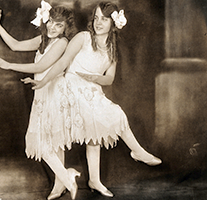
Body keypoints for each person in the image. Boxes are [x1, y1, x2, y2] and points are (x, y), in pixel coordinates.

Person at [22, 1, 162, 198]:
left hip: (91, 89)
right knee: (59, 136)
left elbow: (110, 78)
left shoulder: (112, 49)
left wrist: (96, 78)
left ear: (113, 24)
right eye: (96, 18)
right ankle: (59, 183)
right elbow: (62, 62)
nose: (98, 23)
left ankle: (95, 180)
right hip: (69, 87)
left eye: (104, 19)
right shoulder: (83, 37)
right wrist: (44, 81)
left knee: (98, 129)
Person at [0, 1, 80, 199]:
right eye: (52, 23)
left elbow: (41, 67)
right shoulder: (43, 38)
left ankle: (66, 177)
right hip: (42, 92)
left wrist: (8, 65)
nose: (53, 28)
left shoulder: (62, 42)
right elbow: (15, 45)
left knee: (49, 144)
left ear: (66, 28)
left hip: (55, 93)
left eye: (59, 25)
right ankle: (60, 184)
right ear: (46, 21)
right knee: (54, 143)